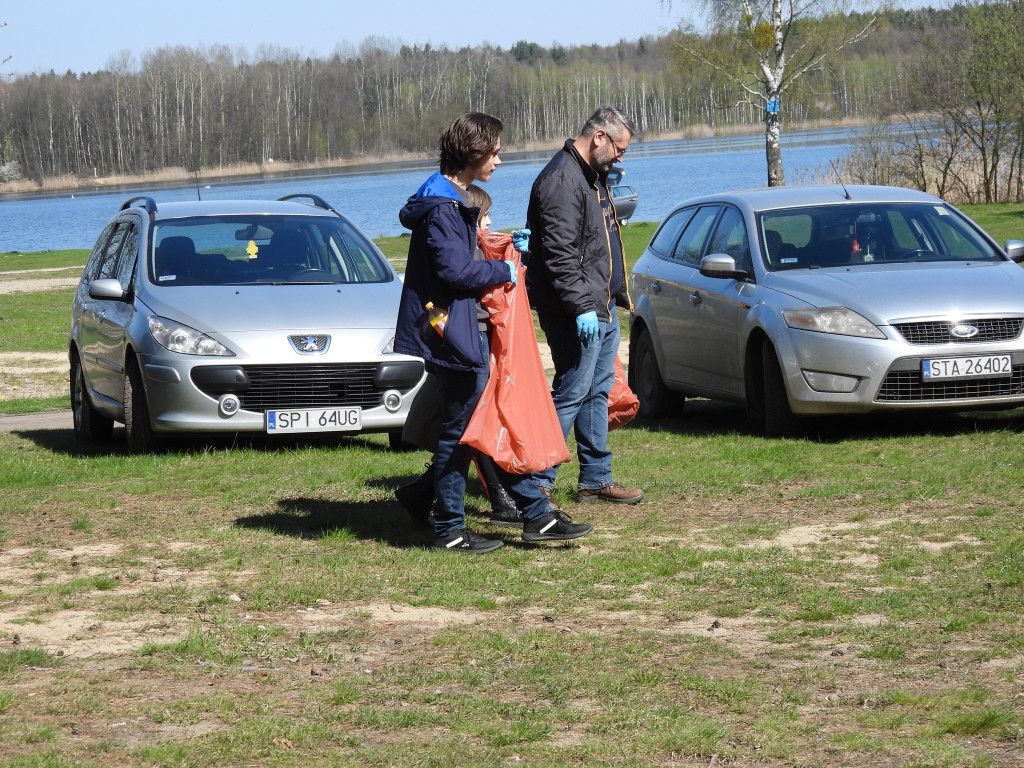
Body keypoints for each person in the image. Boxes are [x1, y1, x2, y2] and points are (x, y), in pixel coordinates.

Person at [394, 112, 593, 553]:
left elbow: (458, 258)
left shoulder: (452, 199)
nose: (499, 161)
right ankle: (451, 529)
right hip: (449, 331)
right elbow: (454, 269)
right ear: (473, 152)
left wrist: (500, 247)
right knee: (465, 429)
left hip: (454, 328)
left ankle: (523, 514)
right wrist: (502, 268)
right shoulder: (444, 206)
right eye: (496, 152)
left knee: (476, 423)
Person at [524, 106, 645, 505]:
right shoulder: (562, 180)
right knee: (572, 391)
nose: (621, 158)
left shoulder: (593, 176)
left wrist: (608, 298)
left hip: (601, 304)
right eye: (620, 149)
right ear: (599, 137)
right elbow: (559, 256)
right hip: (576, 311)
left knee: (597, 392)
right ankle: (537, 484)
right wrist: (580, 308)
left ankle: (595, 477)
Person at [396, 184, 524, 530]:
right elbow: (460, 276)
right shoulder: (449, 227)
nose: (490, 222)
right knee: (468, 427)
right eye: (486, 218)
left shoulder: (459, 234)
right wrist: (504, 269)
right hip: (464, 341)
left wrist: (513, 252)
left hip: (465, 339)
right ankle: (464, 517)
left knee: (468, 426)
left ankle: (424, 495)